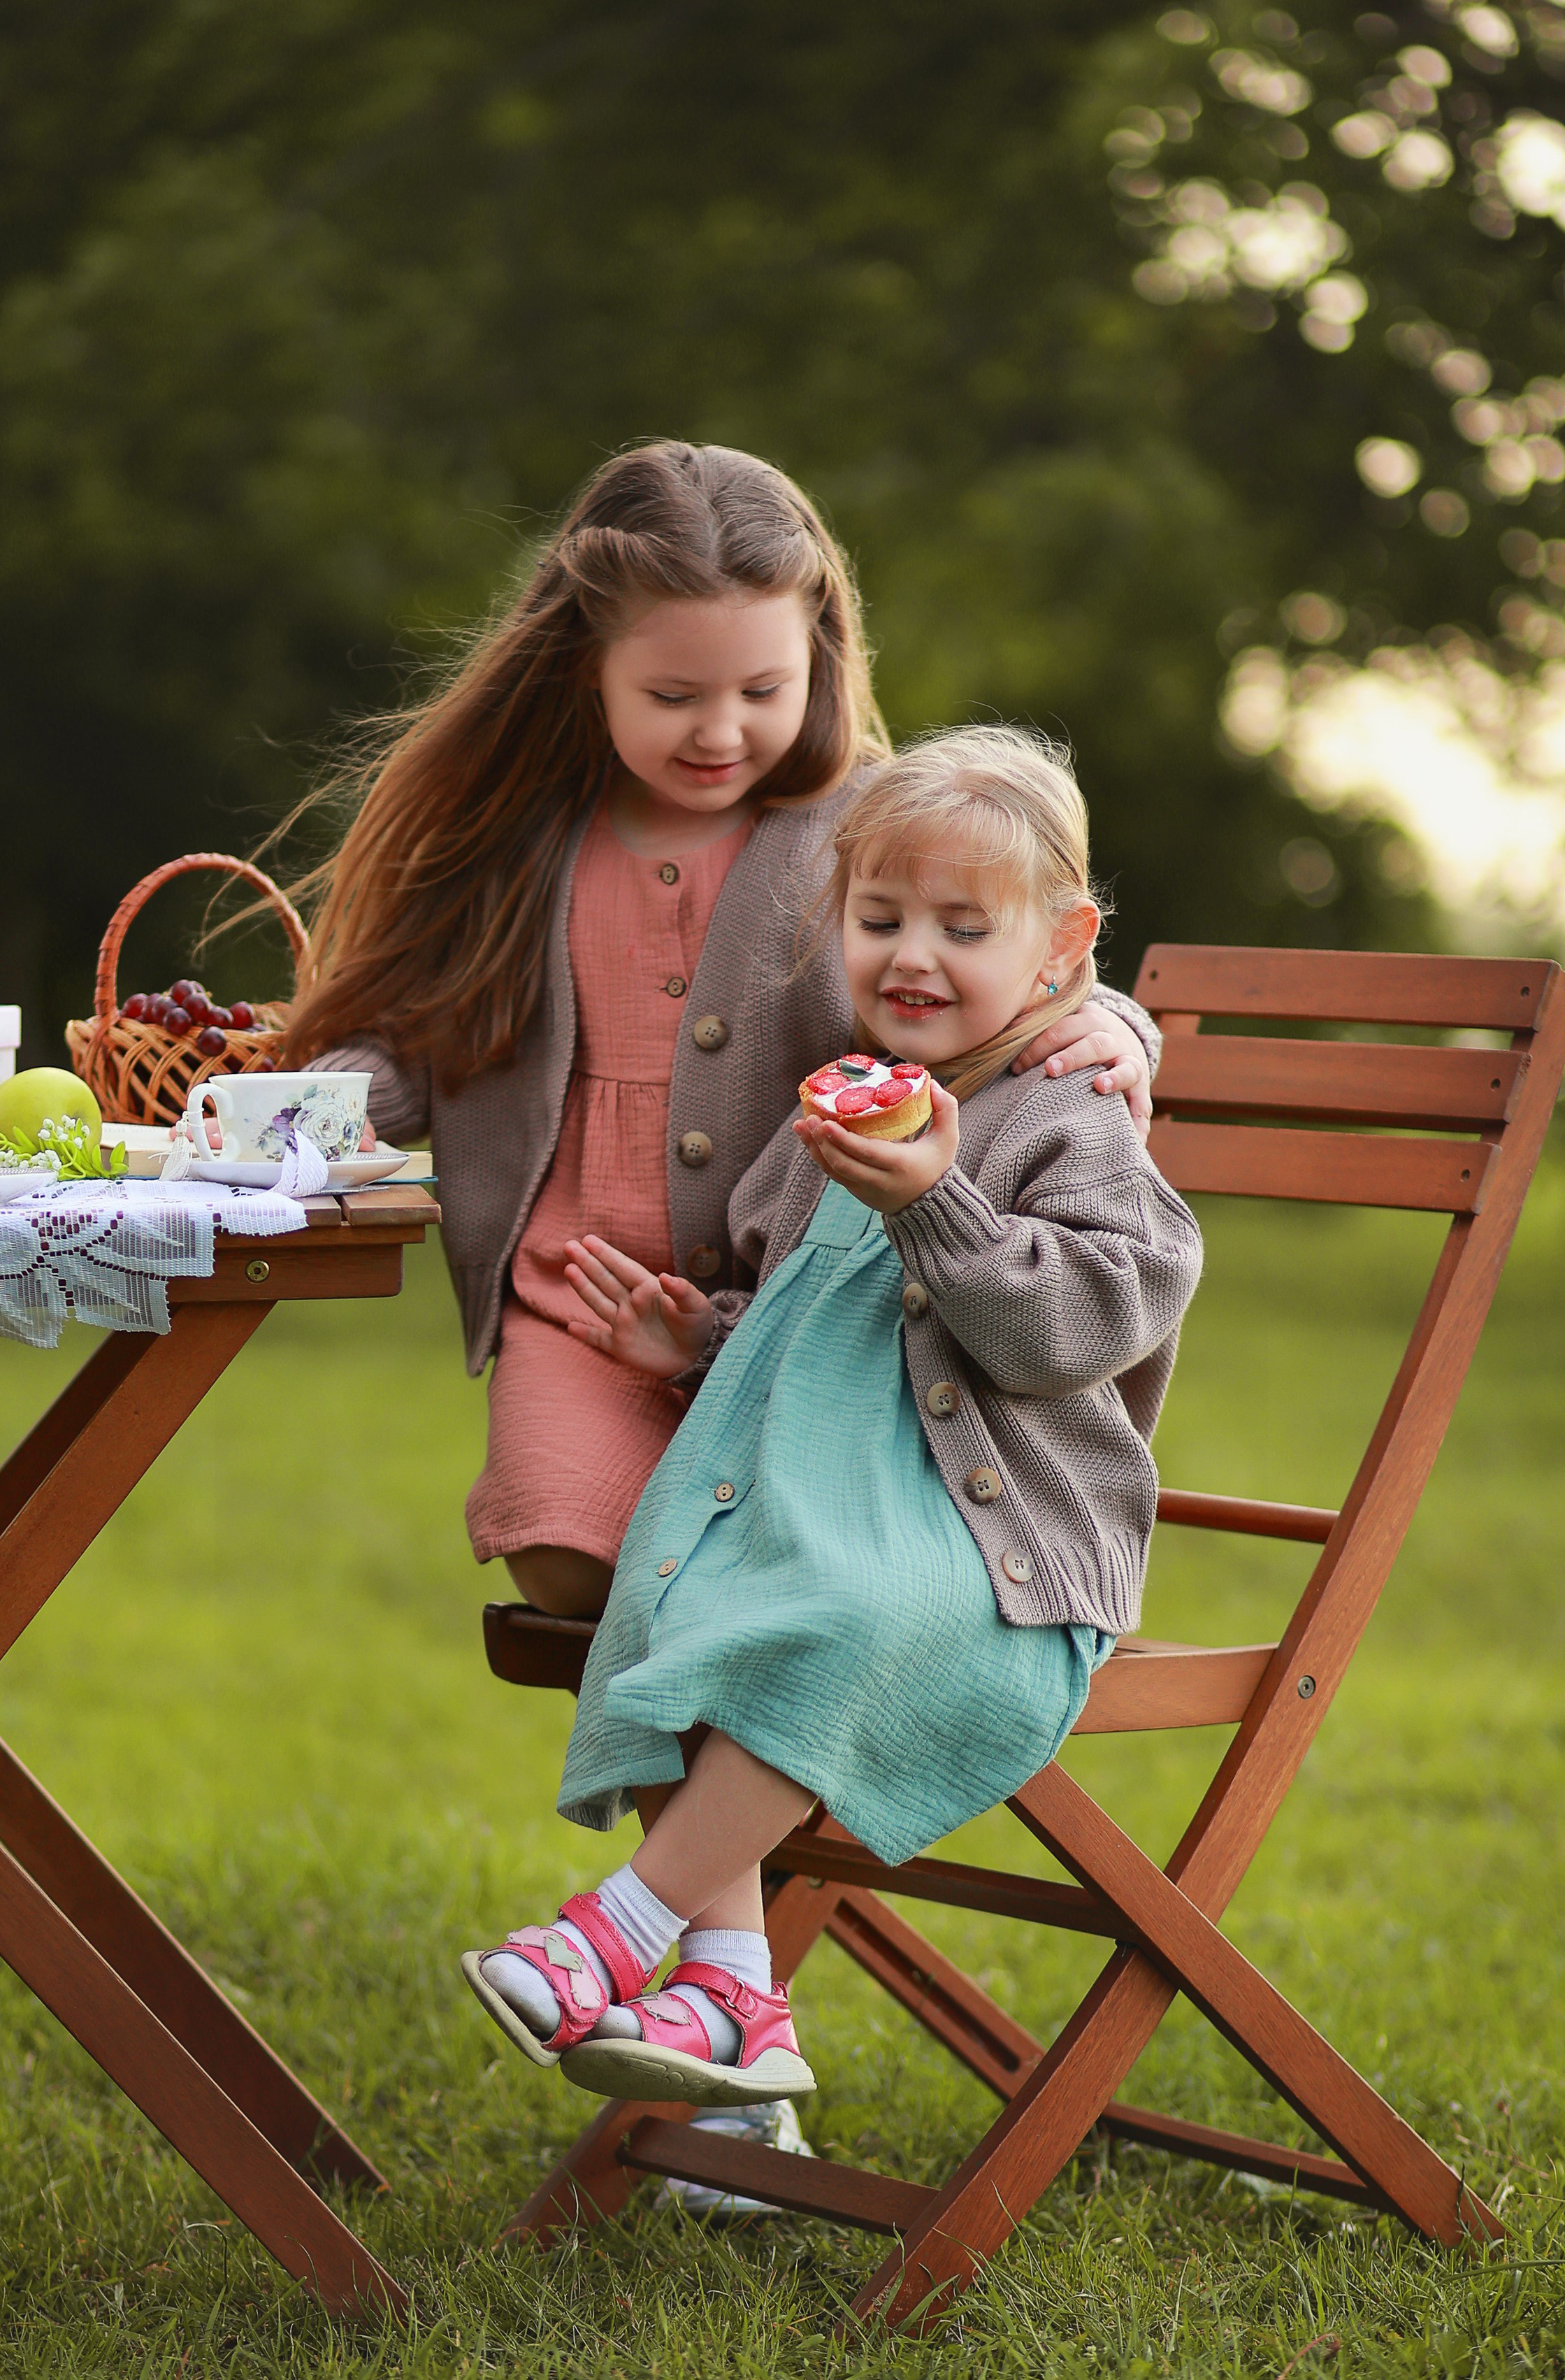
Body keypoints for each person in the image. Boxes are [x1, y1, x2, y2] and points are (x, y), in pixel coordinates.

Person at [286, 443, 1158, 1619]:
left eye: (763, 691)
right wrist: (296, 1109)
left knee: (743, 1591)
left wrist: (1118, 1024)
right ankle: (730, 1806)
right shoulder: (519, 837)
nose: (720, 732)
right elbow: (425, 1037)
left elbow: (999, 959)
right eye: (674, 696)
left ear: (820, 660)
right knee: (568, 1557)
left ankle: (736, 1810)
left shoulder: (862, 827)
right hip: (579, 1302)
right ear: (584, 670)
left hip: (789, 1316)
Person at [461, 726, 1202, 2107]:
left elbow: (1076, 1329)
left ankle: (617, 1931)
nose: (910, 955)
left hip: (989, 1567)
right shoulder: (846, 1109)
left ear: (1059, 945)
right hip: (811, 1520)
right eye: (878, 919)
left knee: (819, 1620)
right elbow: (829, 1330)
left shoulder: (1068, 1117)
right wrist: (700, 1335)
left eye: (959, 925)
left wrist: (932, 1198)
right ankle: (735, 2011)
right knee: (687, 1595)